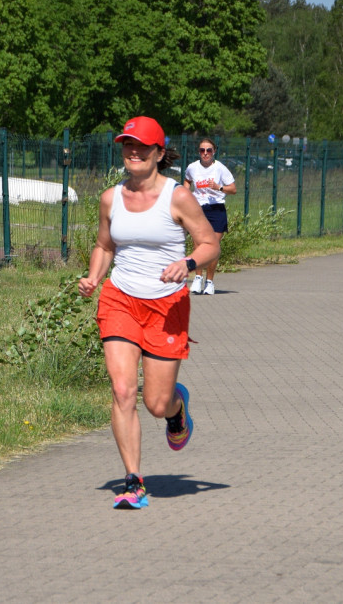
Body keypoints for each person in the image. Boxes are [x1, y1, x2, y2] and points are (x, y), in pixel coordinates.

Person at [78, 116, 219, 509]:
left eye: (142, 147)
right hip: (120, 298)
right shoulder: (110, 197)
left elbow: (209, 243)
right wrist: (93, 276)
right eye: (127, 145)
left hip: (167, 305)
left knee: (156, 403)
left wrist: (187, 264)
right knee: (123, 390)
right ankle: (133, 481)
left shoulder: (177, 197)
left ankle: (177, 409)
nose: (133, 153)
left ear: (159, 153)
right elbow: (105, 245)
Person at [184, 138, 236, 292]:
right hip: (199, 209)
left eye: (209, 150)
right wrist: (187, 194)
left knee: (212, 246)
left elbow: (233, 189)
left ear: (214, 152)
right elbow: (187, 181)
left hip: (217, 209)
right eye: (202, 150)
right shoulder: (192, 168)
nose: (205, 153)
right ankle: (198, 278)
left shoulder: (220, 168)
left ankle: (210, 282)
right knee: (198, 244)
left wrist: (219, 188)